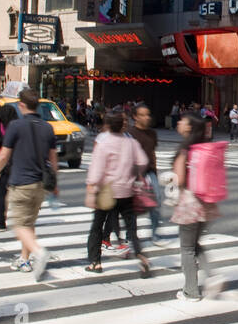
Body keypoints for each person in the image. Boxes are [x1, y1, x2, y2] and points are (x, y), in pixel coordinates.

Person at [0, 88, 58, 280]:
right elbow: (53, 159)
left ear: (21, 105)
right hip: (40, 184)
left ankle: (38, 251)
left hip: (21, 182)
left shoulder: (16, 126)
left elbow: (4, 154)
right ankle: (24, 258)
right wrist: (55, 182)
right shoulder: (47, 127)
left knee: (18, 224)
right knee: (29, 223)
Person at [85, 111, 150, 276]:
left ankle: (95, 262)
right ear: (122, 125)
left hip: (106, 192)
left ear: (107, 125)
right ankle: (141, 256)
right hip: (127, 191)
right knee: (131, 227)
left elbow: (97, 170)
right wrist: (132, 173)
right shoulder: (131, 142)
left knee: (97, 226)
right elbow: (142, 161)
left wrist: (91, 189)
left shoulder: (104, 143)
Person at [171, 112, 225, 301]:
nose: (179, 123)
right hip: (206, 203)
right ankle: (212, 275)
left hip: (188, 203)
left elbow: (179, 180)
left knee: (186, 248)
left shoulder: (185, 150)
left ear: (189, 128)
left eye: (183, 121)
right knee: (195, 244)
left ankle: (191, 291)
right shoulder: (204, 148)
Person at [128, 105, 167, 248]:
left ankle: (155, 233)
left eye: (148, 115)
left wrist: (155, 171)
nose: (147, 117)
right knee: (133, 205)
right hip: (133, 172)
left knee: (156, 201)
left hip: (150, 172)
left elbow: (152, 153)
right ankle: (130, 235)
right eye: (143, 115)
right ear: (135, 117)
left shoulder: (152, 133)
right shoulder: (130, 133)